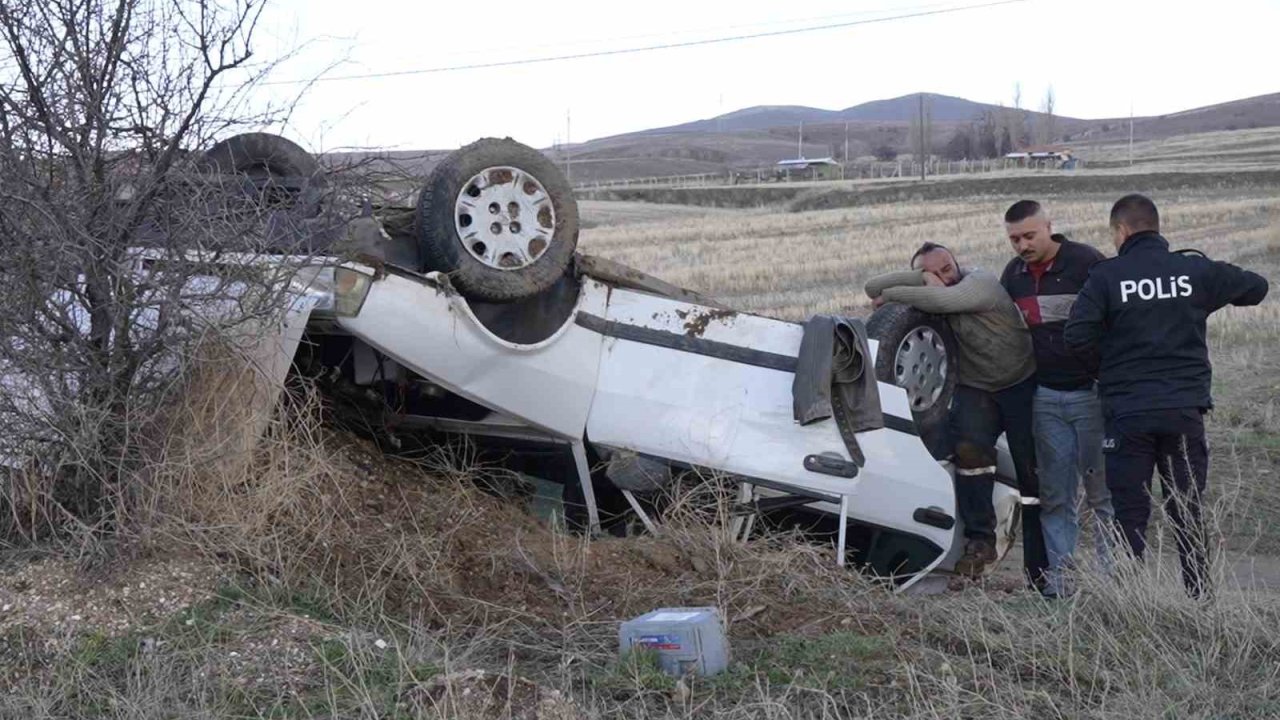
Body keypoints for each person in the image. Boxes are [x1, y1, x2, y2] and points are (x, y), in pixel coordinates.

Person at [1064, 194, 1269, 598]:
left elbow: (1076, 337)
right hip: (1182, 411)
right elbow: (1257, 289)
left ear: (1120, 231)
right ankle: (1200, 599)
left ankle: (1131, 602)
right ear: (1156, 227)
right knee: (1187, 510)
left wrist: (1108, 371)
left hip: (1128, 413)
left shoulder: (1107, 277)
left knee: (1130, 515)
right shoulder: (1192, 270)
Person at [866, 244, 1049, 588]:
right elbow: (870, 286)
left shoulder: (980, 283)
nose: (946, 277)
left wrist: (896, 294)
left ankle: (1043, 566)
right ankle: (980, 542)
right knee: (970, 455)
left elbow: (944, 301)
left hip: (1020, 383)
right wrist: (920, 278)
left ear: (958, 263)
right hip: (976, 385)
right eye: (936, 273)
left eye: (948, 268)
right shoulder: (931, 282)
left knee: (1031, 472)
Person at [1000, 200, 1115, 598]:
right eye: (1014, 238)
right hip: (1045, 398)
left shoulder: (1087, 263)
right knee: (1055, 496)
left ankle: (1112, 585)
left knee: (1103, 493)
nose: (1022, 245)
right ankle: (1060, 584)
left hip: (1092, 395)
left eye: (1029, 235)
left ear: (1049, 227)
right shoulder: (1012, 275)